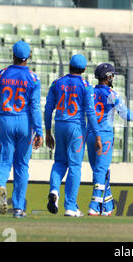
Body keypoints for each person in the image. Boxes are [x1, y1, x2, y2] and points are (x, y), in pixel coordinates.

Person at [86, 63, 133, 216]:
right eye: (112, 75)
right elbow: (126, 115)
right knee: (101, 171)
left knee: (98, 171)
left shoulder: (90, 92)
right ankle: (94, 206)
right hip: (105, 135)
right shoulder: (112, 94)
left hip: (90, 134)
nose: (113, 77)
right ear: (108, 78)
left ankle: (107, 206)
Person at [44, 55, 102, 217]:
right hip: (76, 128)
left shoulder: (57, 83)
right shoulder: (86, 86)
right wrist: (97, 135)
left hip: (59, 126)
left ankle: (54, 190)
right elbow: (90, 112)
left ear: (69, 66)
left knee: (59, 162)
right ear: (84, 70)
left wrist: (48, 132)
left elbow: (48, 108)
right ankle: (70, 206)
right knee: (75, 166)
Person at [0, 41, 43, 218]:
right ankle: (19, 208)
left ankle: (0, 184)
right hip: (25, 122)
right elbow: (35, 107)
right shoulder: (33, 78)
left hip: (5, 119)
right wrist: (39, 131)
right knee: (22, 165)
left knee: (4, 160)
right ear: (28, 56)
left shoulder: (1, 74)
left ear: (13, 55)